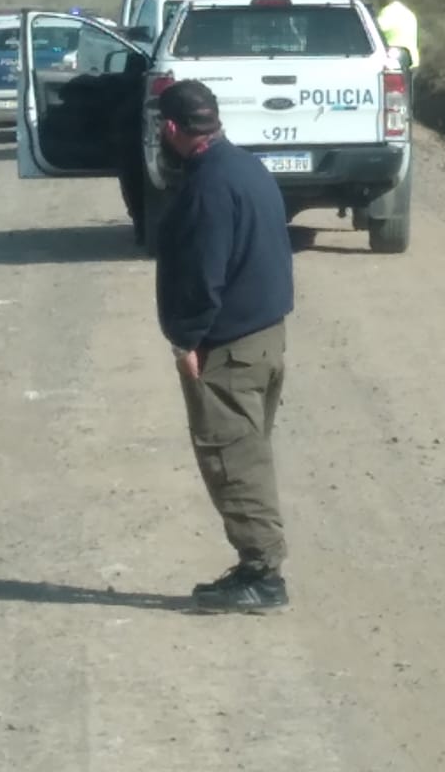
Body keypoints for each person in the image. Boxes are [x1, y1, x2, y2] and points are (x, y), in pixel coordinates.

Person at [154, 79, 295, 613]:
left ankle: (263, 573)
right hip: (263, 337)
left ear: (172, 128)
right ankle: (255, 563)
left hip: (229, 348)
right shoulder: (245, 166)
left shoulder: (208, 185)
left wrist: (187, 338)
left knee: (232, 460)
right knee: (247, 454)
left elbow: (202, 273)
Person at [375, 0, 420, 89]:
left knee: (393, 98)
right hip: (412, 60)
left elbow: (376, 30)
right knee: (405, 98)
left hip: (396, 61)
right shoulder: (407, 12)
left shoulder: (387, 12)